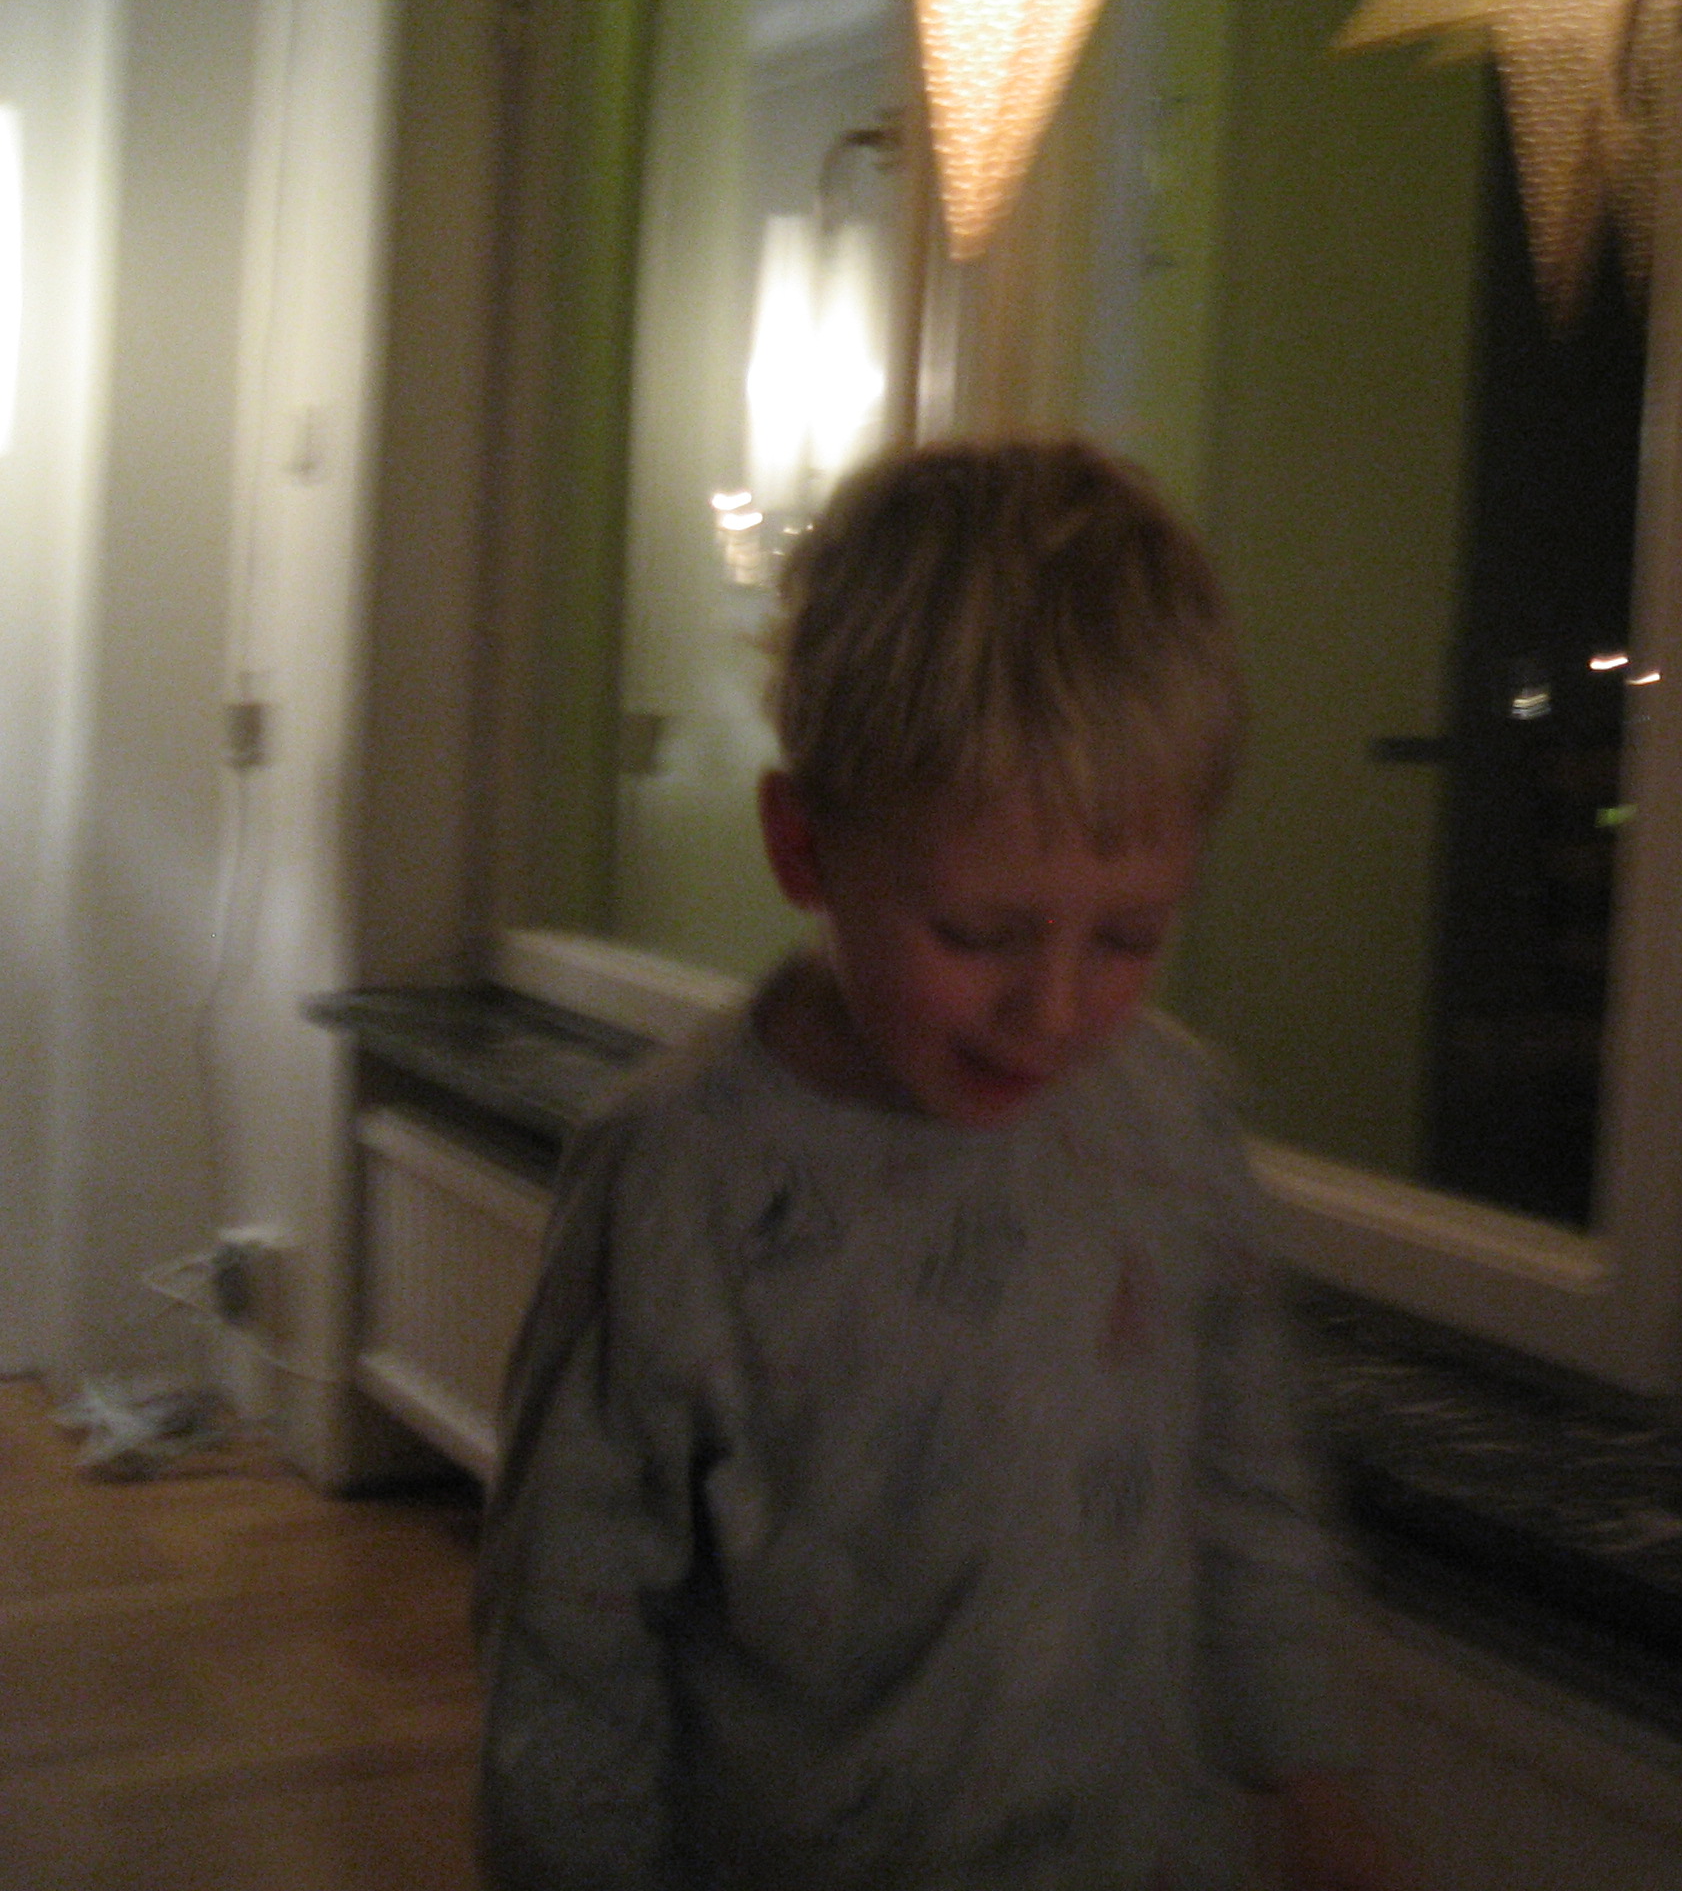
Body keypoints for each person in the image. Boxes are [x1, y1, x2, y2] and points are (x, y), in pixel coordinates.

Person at [474, 438, 1392, 1890]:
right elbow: (568, 1634)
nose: (1056, 1009)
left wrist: (1314, 1786)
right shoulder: (678, 1178)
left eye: (1129, 937)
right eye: (978, 934)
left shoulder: (1176, 1125)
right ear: (804, 847)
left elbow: (1247, 1492)